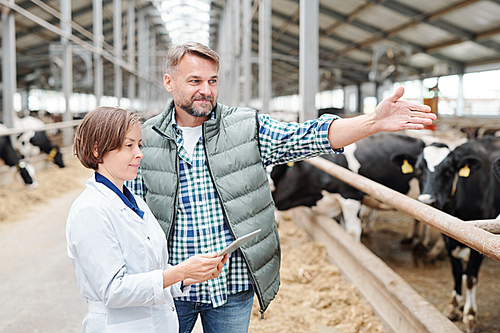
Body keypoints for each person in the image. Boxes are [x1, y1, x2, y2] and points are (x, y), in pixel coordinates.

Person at [125, 42, 436, 333]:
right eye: (195, 81)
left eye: (213, 81)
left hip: (232, 284)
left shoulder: (246, 127)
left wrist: (373, 122)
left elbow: (309, 136)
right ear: (169, 82)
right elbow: (131, 214)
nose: (206, 90)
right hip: (171, 286)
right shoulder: (144, 138)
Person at [66, 106, 228, 333]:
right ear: (97, 150)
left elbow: (150, 273)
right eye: (128, 145)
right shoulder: (90, 210)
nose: (139, 153)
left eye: (139, 145)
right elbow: (114, 290)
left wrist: (190, 276)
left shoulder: (135, 202)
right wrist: (180, 271)